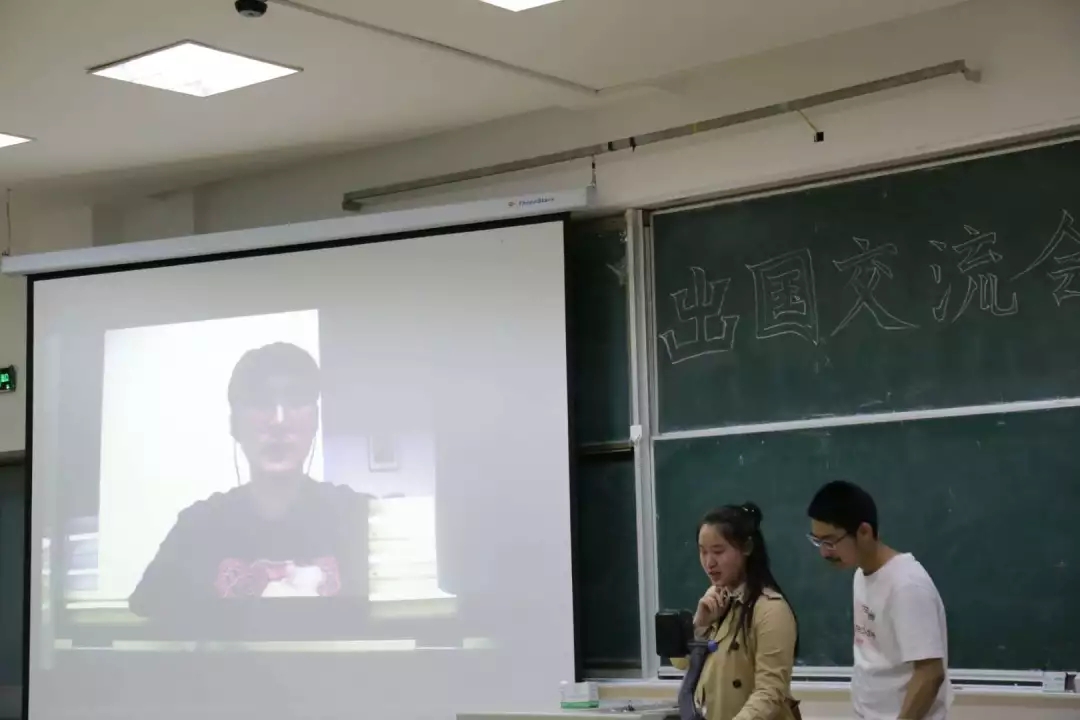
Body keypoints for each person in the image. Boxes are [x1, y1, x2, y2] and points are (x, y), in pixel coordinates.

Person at [129, 342, 370, 621]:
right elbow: (147, 606)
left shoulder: (355, 515)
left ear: (315, 421)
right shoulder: (199, 525)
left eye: (295, 401)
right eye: (260, 402)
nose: (279, 421)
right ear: (234, 425)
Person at [807, 481, 950, 720]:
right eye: (817, 541)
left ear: (864, 532)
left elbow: (930, 674)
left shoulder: (906, 586)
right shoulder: (861, 575)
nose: (824, 552)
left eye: (830, 541)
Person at [673, 503, 801, 720]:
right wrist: (700, 624)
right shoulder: (719, 603)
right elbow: (681, 664)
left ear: (747, 548)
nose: (709, 562)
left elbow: (770, 693)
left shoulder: (770, 609)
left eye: (718, 551)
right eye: (703, 551)